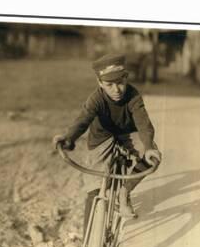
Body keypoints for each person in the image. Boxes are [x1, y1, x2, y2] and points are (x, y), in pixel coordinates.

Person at [53, 53, 162, 230]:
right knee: (95, 188)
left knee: (152, 158)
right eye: (109, 85)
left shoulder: (133, 96)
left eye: (120, 82)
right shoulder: (96, 99)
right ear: (100, 83)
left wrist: (149, 147)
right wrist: (68, 138)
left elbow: (143, 122)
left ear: (126, 78)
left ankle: (124, 191)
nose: (116, 89)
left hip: (128, 135)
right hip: (102, 139)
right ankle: (88, 241)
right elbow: (83, 119)